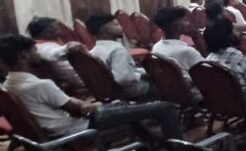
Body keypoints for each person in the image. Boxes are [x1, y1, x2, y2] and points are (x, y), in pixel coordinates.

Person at [0, 34, 182, 140]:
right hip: (77, 128)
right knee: (163, 107)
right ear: (23, 56)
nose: (38, 54)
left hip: (59, 128)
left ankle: (149, 142)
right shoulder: (39, 85)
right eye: (34, 50)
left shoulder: (8, 84)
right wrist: (90, 105)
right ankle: (180, 150)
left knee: (121, 105)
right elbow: (79, 110)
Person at [204, 19, 246, 117]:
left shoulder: (207, 61)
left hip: (222, 106)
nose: (238, 33)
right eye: (235, 30)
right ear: (229, 36)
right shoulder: (242, 60)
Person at [86, 14, 152, 98]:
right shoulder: (118, 50)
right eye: (116, 24)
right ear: (105, 30)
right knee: (158, 86)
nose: (122, 27)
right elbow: (123, 79)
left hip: (105, 91)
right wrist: (140, 75)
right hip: (124, 91)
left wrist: (140, 71)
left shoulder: (93, 51)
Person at [26, 17, 85, 91]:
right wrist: (67, 48)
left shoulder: (51, 42)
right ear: (46, 32)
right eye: (55, 28)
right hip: (82, 82)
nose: (59, 28)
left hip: (83, 77)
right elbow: (53, 54)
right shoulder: (42, 47)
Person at [151, 6, 204, 81]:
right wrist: (197, 36)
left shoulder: (156, 47)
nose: (188, 23)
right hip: (193, 87)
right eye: (184, 20)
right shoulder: (187, 51)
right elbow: (210, 73)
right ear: (176, 26)